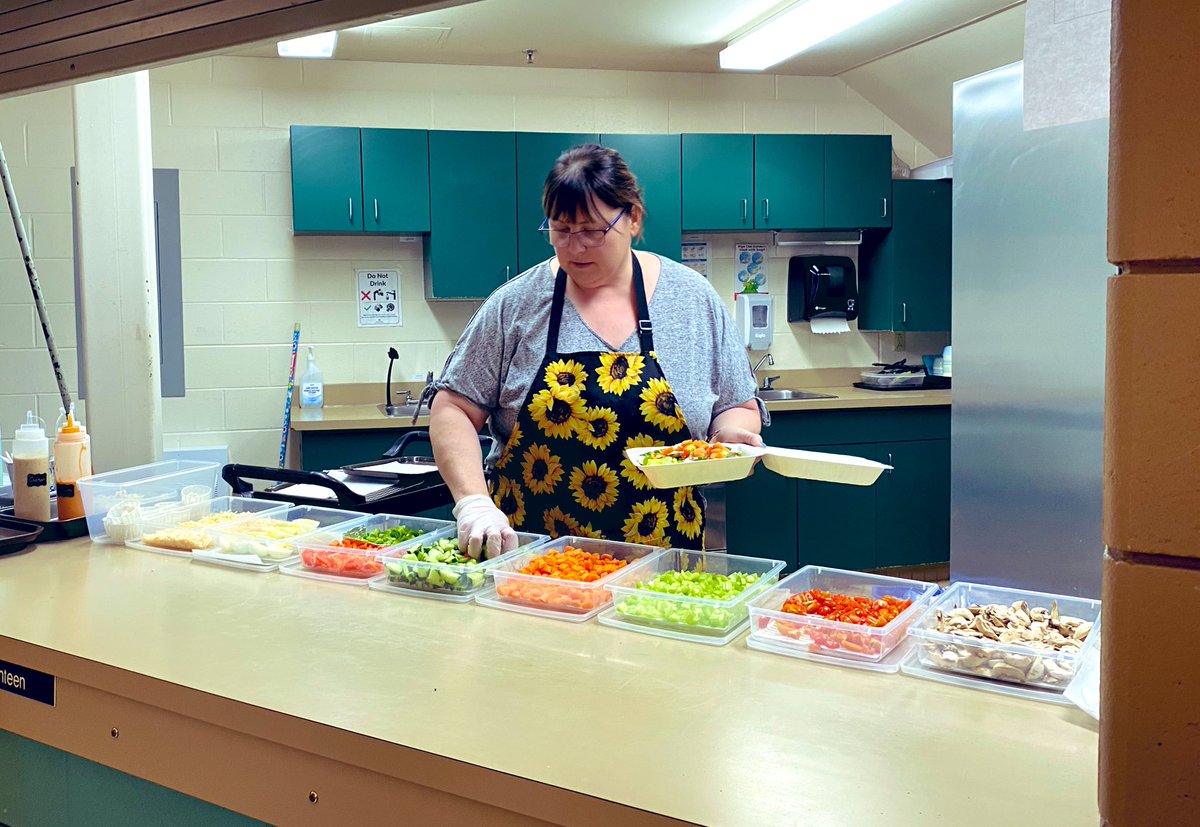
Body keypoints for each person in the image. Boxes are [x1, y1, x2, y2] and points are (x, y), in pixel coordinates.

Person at [430, 144, 767, 557]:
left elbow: (737, 404)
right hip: (532, 560)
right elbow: (453, 408)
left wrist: (727, 436)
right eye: (560, 229)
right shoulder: (515, 304)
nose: (575, 247)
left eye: (592, 230)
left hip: (664, 565)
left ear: (633, 218)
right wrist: (473, 502)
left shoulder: (692, 300)